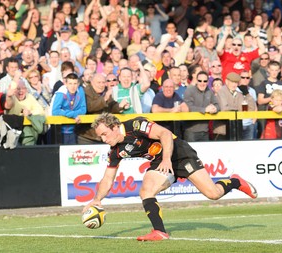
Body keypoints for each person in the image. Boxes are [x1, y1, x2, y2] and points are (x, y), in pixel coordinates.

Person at [83, 112, 258, 241]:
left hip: (179, 154)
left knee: (213, 194)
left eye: (104, 134)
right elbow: (108, 178)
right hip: (159, 161)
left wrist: (167, 159)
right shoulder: (115, 151)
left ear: (114, 127)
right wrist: (97, 199)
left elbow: (165, 134)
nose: (103, 139)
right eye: (100, 137)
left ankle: (235, 181)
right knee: (146, 190)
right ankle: (159, 231)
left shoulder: (135, 125)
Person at [183, 71, 219, 142]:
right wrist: (205, 109)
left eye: (205, 81)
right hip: (191, 131)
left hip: (205, 131)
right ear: (196, 81)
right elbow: (188, 107)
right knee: (191, 153)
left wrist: (215, 108)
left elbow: (217, 104)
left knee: (205, 153)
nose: (202, 83)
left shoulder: (209, 91)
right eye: (200, 81)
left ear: (208, 82)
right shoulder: (189, 90)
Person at [51, 73, 86, 145]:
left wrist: (68, 113)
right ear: (65, 84)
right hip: (60, 131)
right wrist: (73, 115)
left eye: (75, 83)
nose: (73, 86)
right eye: (70, 83)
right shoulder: (61, 92)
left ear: (78, 83)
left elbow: (83, 109)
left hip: (75, 130)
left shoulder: (81, 90)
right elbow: (55, 111)